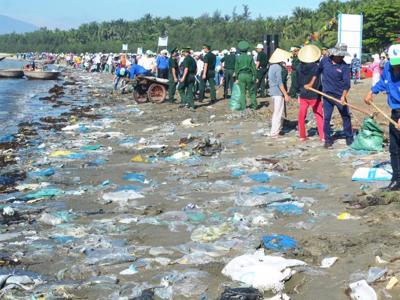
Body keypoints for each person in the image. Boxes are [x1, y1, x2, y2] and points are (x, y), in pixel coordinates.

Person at [364, 44, 400, 191]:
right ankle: (397, 179)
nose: (397, 67)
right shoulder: (387, 69)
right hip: (395, 113)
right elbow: (383, 83)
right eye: (395, 64)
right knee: (394, 148)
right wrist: (372, 92)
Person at [305, 43, 352, 148]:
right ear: (334, 54)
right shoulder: (325, 61)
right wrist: (310, 84)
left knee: (346, 116)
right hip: (326, 95)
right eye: (339, 55)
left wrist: (343, 96)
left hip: (340, 96)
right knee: (326, 118)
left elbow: (347, 84)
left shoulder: (344, 67)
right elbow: (317, 72)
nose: (341, 57)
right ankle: (328, 139)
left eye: (342, 55)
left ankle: (349, 138)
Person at [296, 45, 324, 141]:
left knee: (301, 116)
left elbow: (297, 82)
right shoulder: (316, 67)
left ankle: (302, 136)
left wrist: (299, 92)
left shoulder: (299, 67)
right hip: (315, 95)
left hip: (303, 94)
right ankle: (322, 136)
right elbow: (319, 82)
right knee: (319, 115)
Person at [267, 48, 291, 137]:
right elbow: (280, 83)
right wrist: (285, 94)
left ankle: (274, 130)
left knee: (276, 112)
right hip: (277, 92)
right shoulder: (277, 67)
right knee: (278, 113)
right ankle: (274, 132)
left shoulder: (272, 66)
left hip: (273, 91)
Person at [234, 41, 257, 111]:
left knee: (242, 92)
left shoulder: (238, 58)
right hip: (249, 75)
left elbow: (236, 69)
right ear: (247, 49)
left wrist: (236, 78)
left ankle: (243, 107)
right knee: (252, 91)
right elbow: (254, 68)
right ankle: (254, 106)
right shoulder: (250, 57)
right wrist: (255, 77)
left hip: (241, 75)